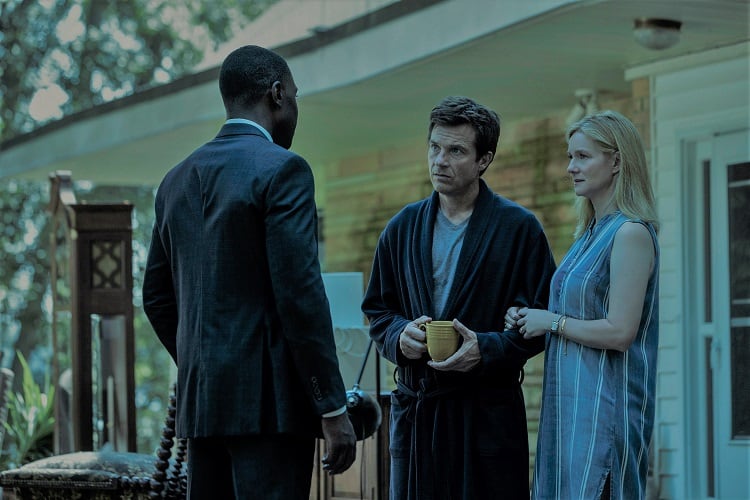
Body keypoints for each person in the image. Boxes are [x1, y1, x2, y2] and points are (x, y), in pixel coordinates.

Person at [142, 45, 356, 499]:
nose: (296, 107)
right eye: (295, 96)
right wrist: (332, 406)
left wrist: (206, 364)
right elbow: (299, 294)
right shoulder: (284, 170)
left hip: (203, 407)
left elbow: (157, 298)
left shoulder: (174, 179)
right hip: (270, 412)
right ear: (277, 94)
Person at [361, 96, 557, 499]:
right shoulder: (401, 228)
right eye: (434, 147)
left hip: (485, 414)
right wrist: (400, 335)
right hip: (419, 413)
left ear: (484, 160)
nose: (440, 160)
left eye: (456, 151)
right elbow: (378, 310)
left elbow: (543, 322)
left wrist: (484, 349)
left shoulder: (518, 229)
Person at [506, 110, 659, 499]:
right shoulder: (588, 235)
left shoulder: (630, 233)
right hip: (570, 414)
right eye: (569, 156)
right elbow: (569, 311)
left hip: (604, 415)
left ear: (618, 161)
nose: (570, 167)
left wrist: (551, 322)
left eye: (582, 157)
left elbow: (621, 332)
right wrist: (528, 317)